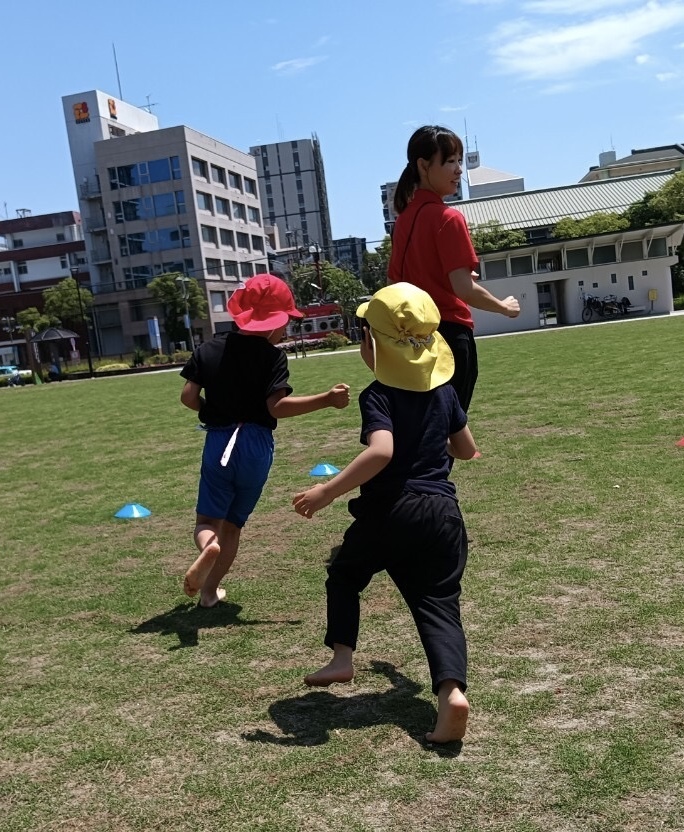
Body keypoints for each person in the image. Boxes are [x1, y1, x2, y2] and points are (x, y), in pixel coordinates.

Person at [293, 282, 477, 744]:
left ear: (372, 344)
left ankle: (342, 658)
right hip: (443, 513)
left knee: (344, 574)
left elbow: (381, 452)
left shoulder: (378, 395)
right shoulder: (445, 393)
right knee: (438, 603)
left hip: (390, 511)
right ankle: (451, 693)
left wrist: (326, 491)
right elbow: (466, 449)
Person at [180, 274, 351, 609]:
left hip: (219, 443)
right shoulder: (273, 357)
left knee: (207, 523)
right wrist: (326, 399)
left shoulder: (208, 349)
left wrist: (213, 412)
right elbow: (277, 407)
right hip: (256, 447)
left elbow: (188, 397)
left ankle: (207, 547)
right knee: (232, 526)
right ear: (273, 323)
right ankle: (209, 592)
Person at [388, 125, 520, 412]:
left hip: (412, 342)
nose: (459, 169)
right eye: (450, 161)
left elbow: (397, 285)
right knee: (450, 429)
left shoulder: (403, 221)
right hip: (449, 338)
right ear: (424, 166)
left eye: (459, 160)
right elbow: (464, 289)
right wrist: (504, 307)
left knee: (424, 427)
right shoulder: (449, 218)